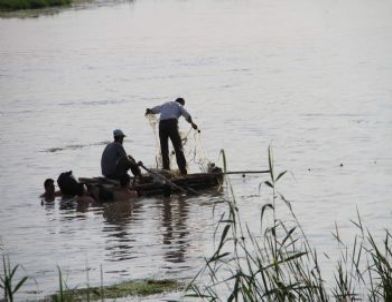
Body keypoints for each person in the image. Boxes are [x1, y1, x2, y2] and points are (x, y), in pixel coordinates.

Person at [145, 97, 198, 175]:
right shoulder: (179, 105)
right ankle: (183, 170)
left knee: (164, 148)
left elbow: (156, 109)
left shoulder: (166, 104)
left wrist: (150, 110)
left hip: (162, 124)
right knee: (178, 147)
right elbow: (187, 115)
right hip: (172, 124)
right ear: (182, 103)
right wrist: (192, 123)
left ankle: (166, 170)